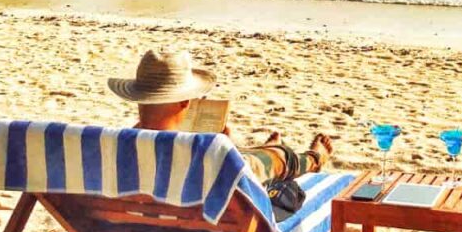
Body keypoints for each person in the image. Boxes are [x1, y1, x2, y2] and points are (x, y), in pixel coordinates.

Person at [107, 49, 332, 186]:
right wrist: (225, 146)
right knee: (277, 160)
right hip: (206, 217)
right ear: (186, 102)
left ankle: (264, 149)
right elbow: (245, 176)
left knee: (244, 155)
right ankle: (313, 158)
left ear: (137, 99)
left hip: (140, 225)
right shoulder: (203, 151)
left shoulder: (113, 148)